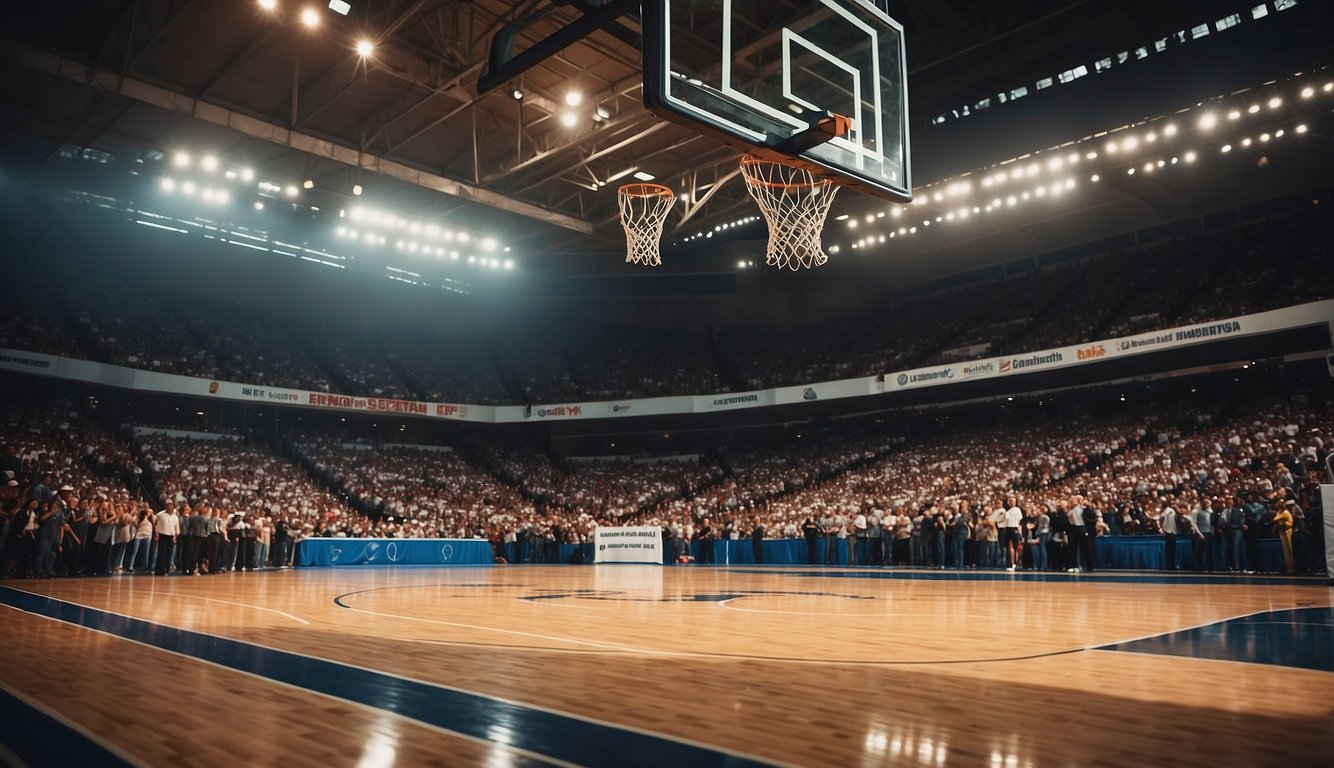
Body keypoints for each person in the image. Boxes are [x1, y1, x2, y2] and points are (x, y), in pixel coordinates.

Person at [1272, 500, 1296, 575]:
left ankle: (1291, 568)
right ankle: (1289, 568)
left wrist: (1278, 514)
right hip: (1283, 531)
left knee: (1289, 549)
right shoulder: (1282, 512)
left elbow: (1275, 519)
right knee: (1286, 551)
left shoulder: (1285, 512)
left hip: (1287, 531)